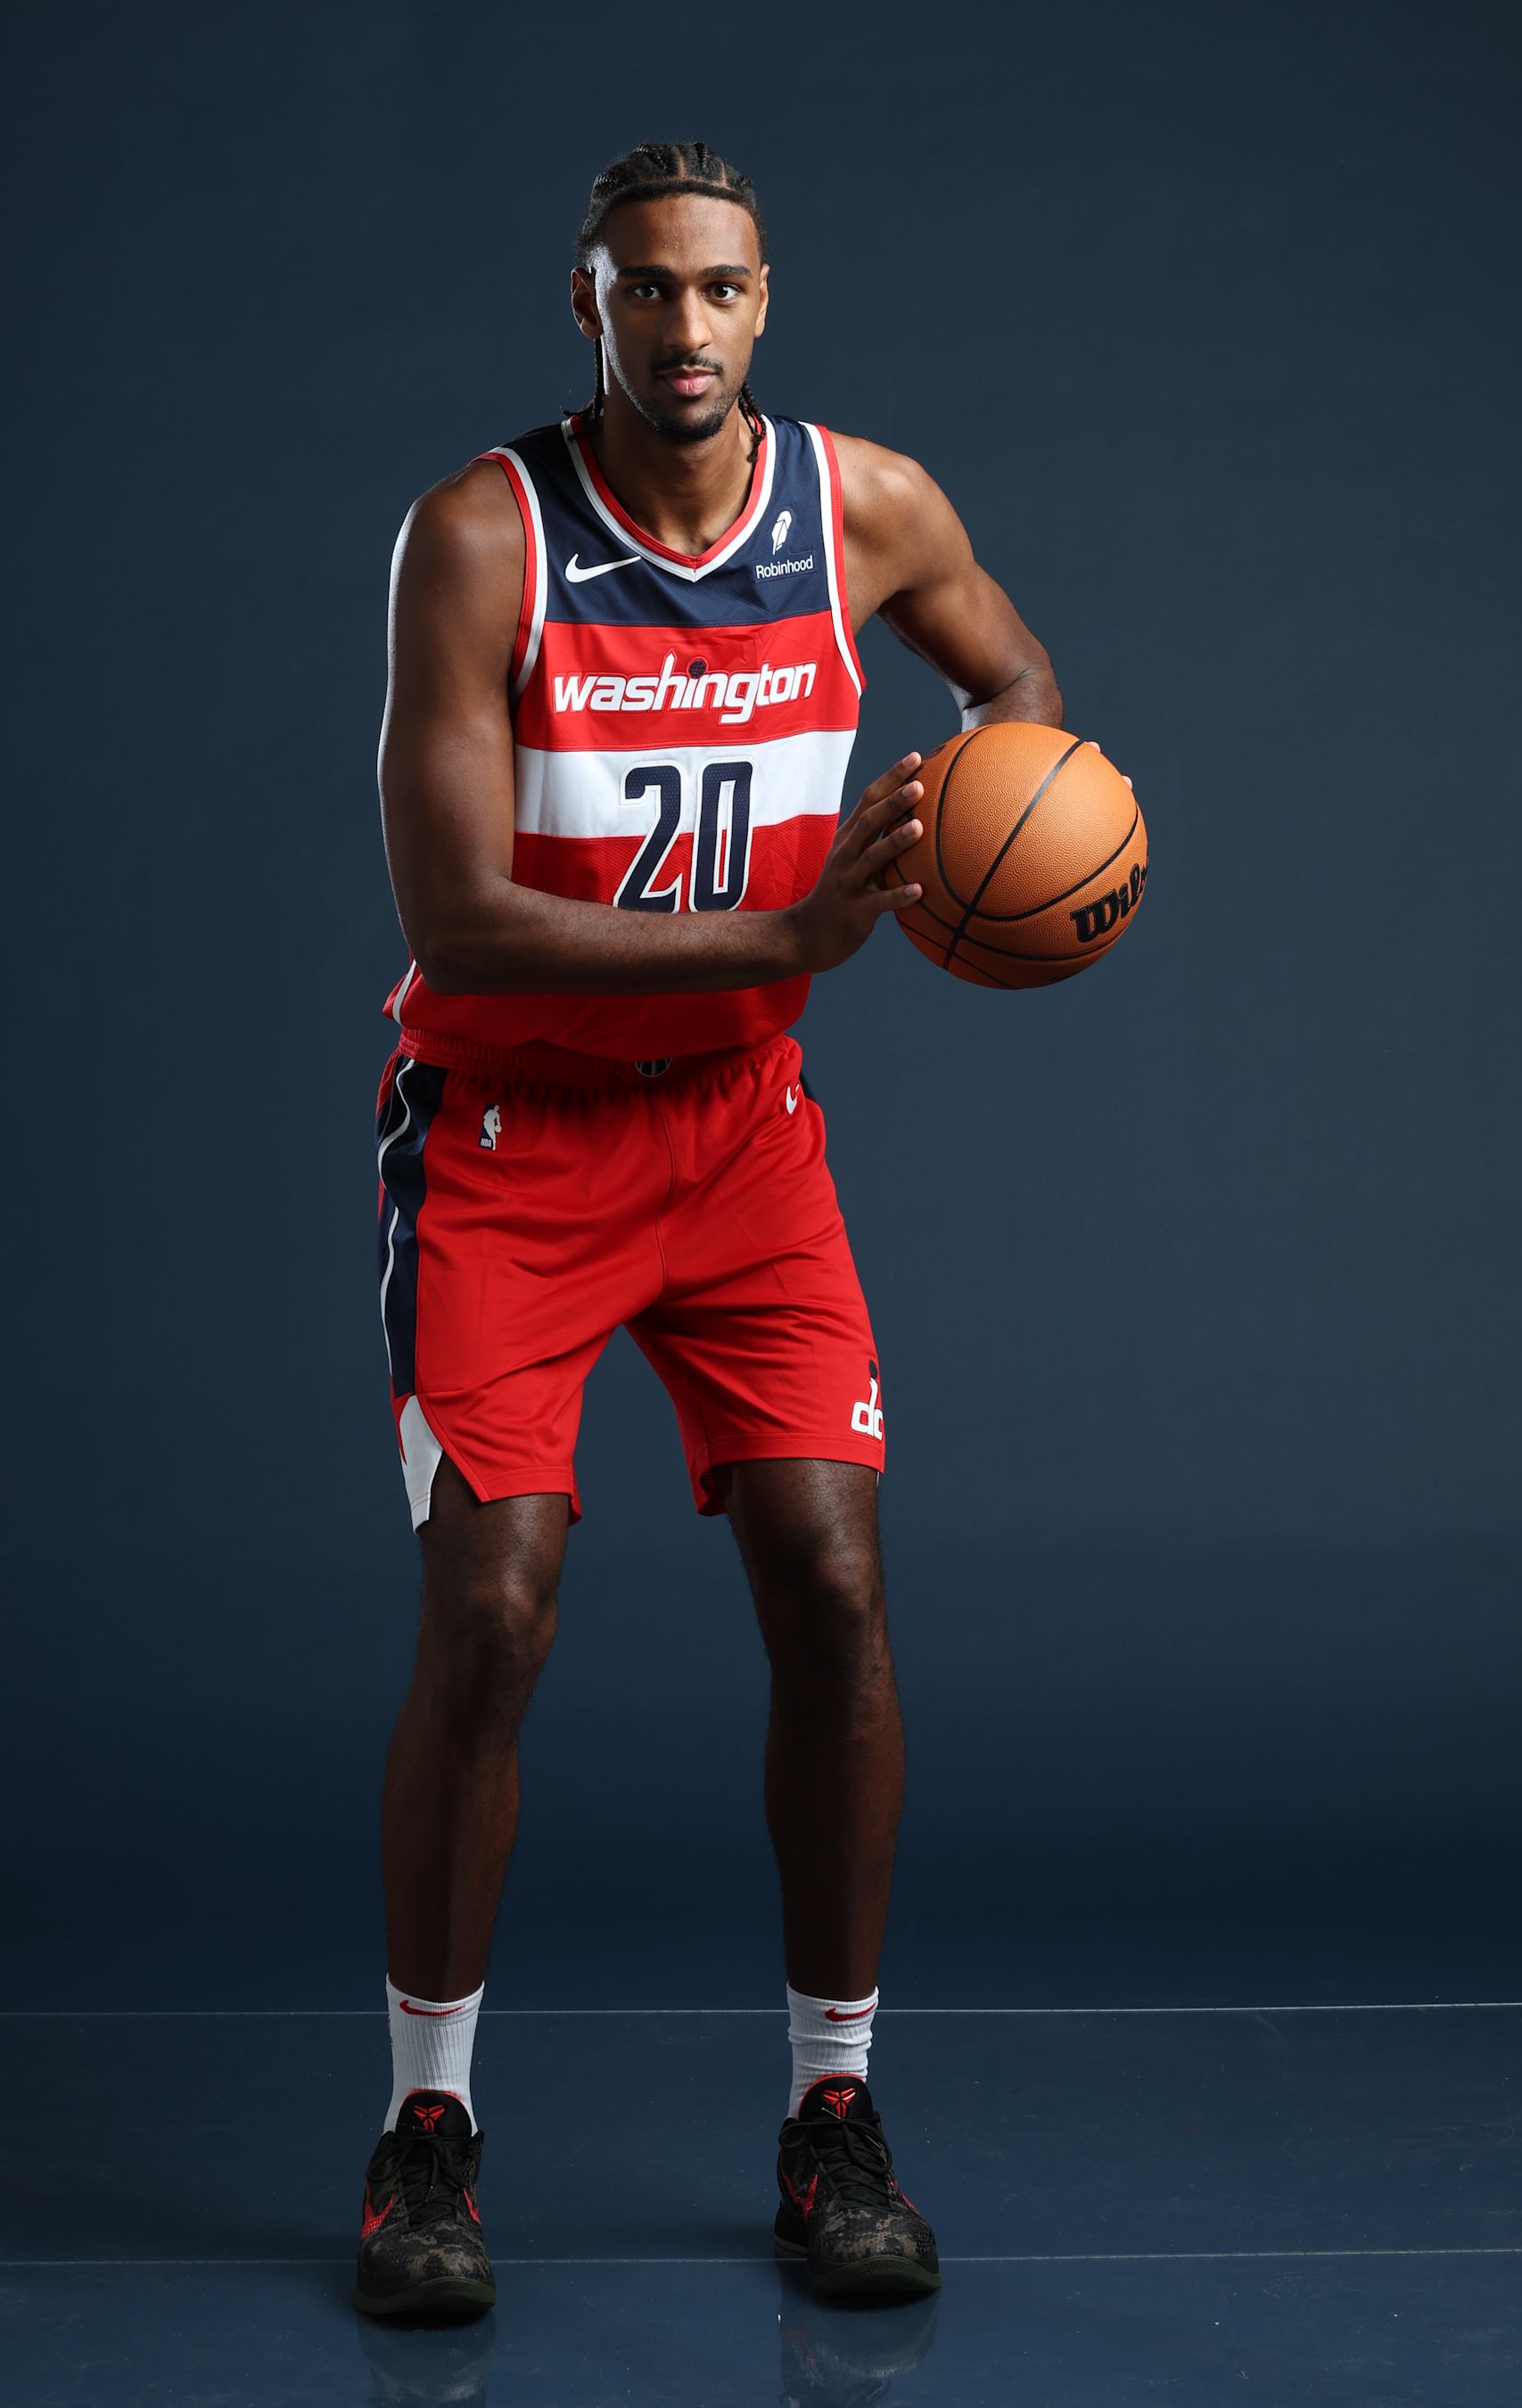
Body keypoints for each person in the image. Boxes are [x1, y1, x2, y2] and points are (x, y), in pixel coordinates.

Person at [354, 139, 1065, 2321]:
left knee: (837, 1588)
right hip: (510, 1142)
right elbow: (455, 914)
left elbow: (1020, 690)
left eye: (724, 290)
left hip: (746, 1143)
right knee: (494, 1615)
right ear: (587, 302)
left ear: (771, 303)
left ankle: (835, 2113)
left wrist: (981, 857)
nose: (688, 329)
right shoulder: (484, 539)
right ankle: (426, 2130)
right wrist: (788, 927)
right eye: (647, 291)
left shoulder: (872, 513)